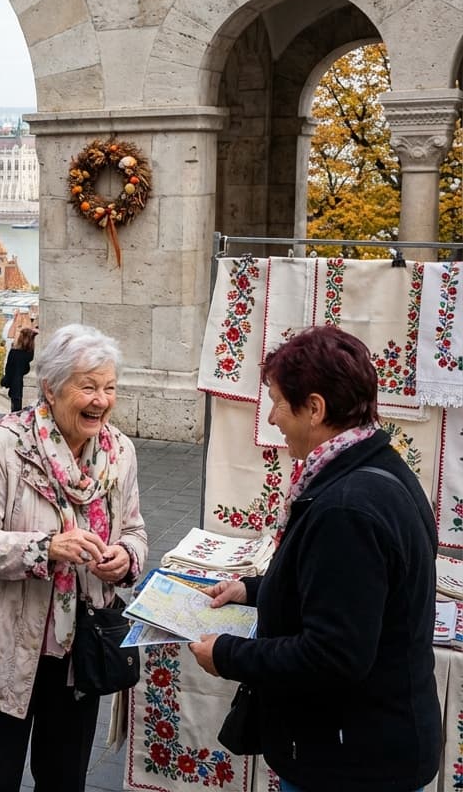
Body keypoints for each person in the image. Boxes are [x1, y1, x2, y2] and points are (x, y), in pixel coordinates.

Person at [189, 325, 439, 792]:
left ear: (315, 408)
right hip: (371, 746)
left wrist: (228, 655)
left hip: (353, 764)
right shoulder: (378, 465)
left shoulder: (346, 507)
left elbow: (332, 656)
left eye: (279, 402)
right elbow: (348, 590)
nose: (273, 416)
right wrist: (253, 589)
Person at [0, 323, 147, 792]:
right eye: (88, 387)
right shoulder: (4, 446)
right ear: (50, 388)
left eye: (109, 387)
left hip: (78, 652)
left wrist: (125, 557)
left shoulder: (120, 452)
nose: (101, 400)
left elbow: (134, 530)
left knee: (62, 779)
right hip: (0, 648)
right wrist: (45, 548)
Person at [1, 324, 37, 412]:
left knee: (15, 411)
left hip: (15, 388)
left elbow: (8, 370)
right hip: (21, 387)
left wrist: (5, 381)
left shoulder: (14, 352)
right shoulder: (30, 354)